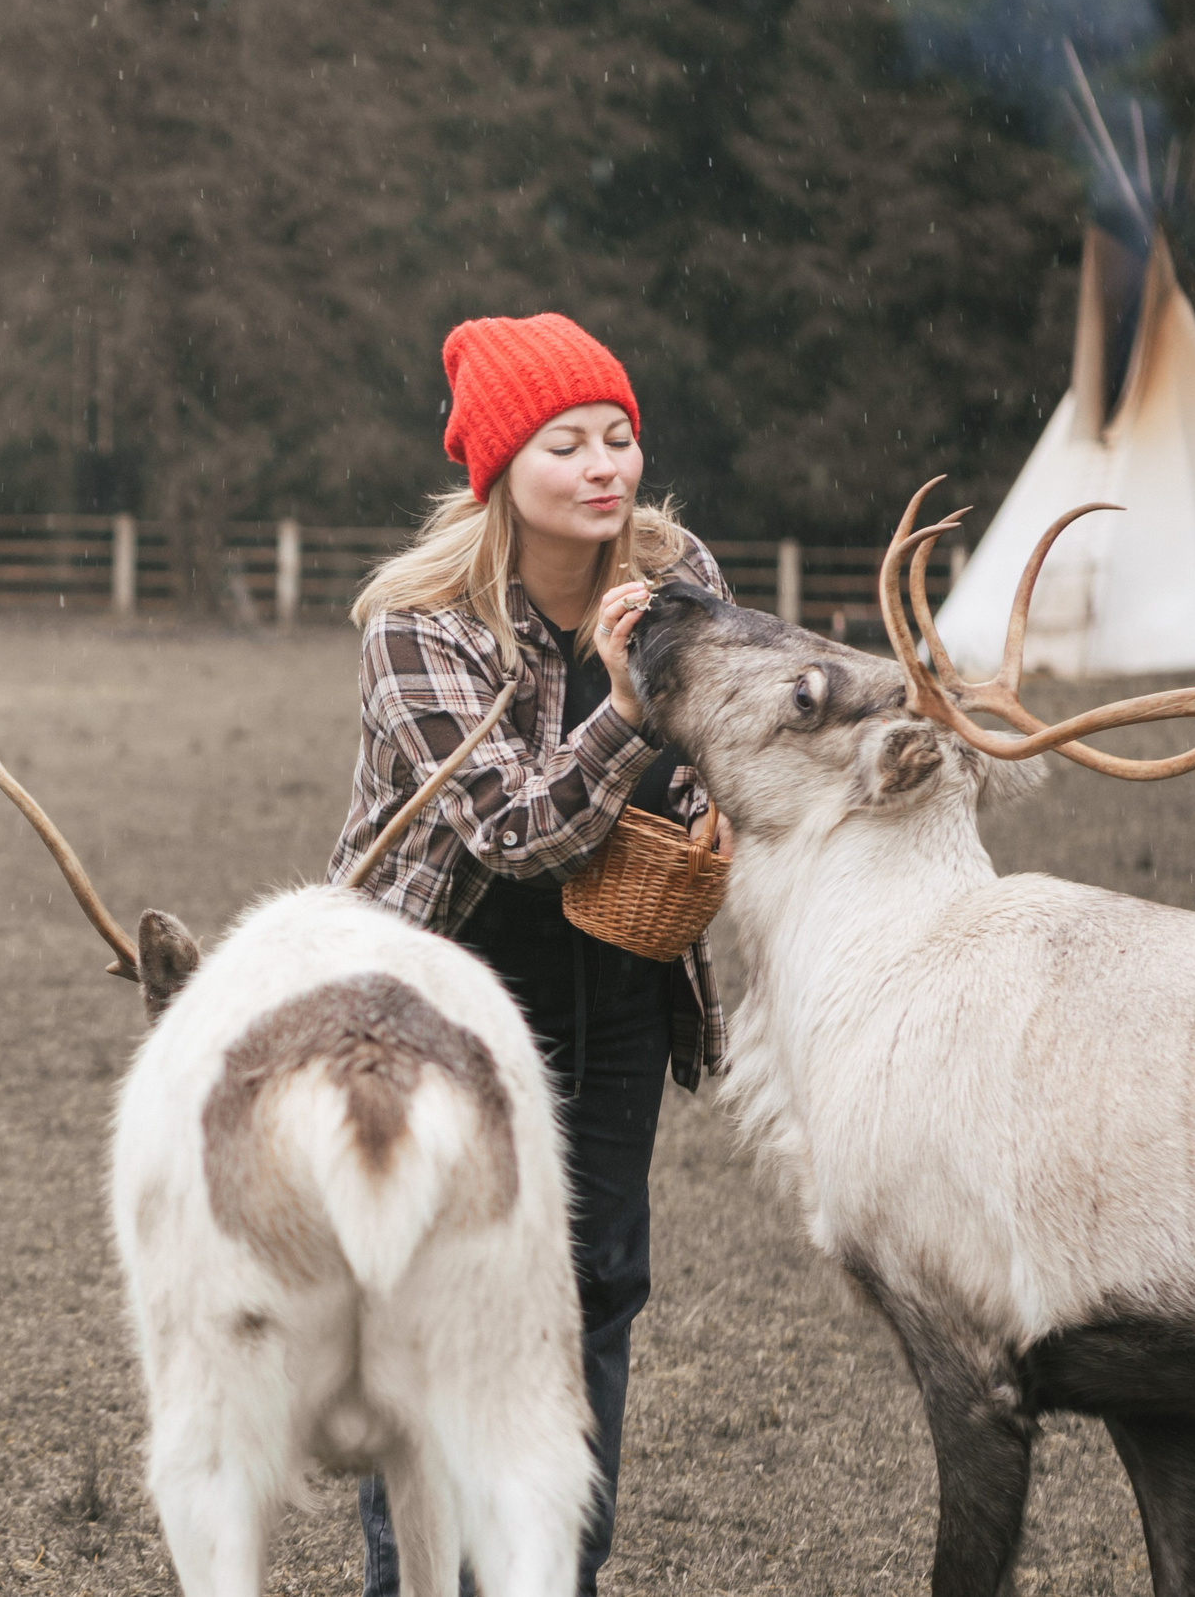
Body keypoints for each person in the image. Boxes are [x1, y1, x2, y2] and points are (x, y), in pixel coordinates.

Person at [328, 313, 730, 1597]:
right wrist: (623, 703)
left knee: (593, 1284)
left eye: (618, 434)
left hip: (613, 983)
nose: (605, 465)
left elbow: (731, 739)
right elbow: (511, 827)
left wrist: (714, 791)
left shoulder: (682, 579)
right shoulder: (418, 621)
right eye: (566, 443)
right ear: (499, 469)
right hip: (435, 995)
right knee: (431, 1297)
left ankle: (554, 1571)